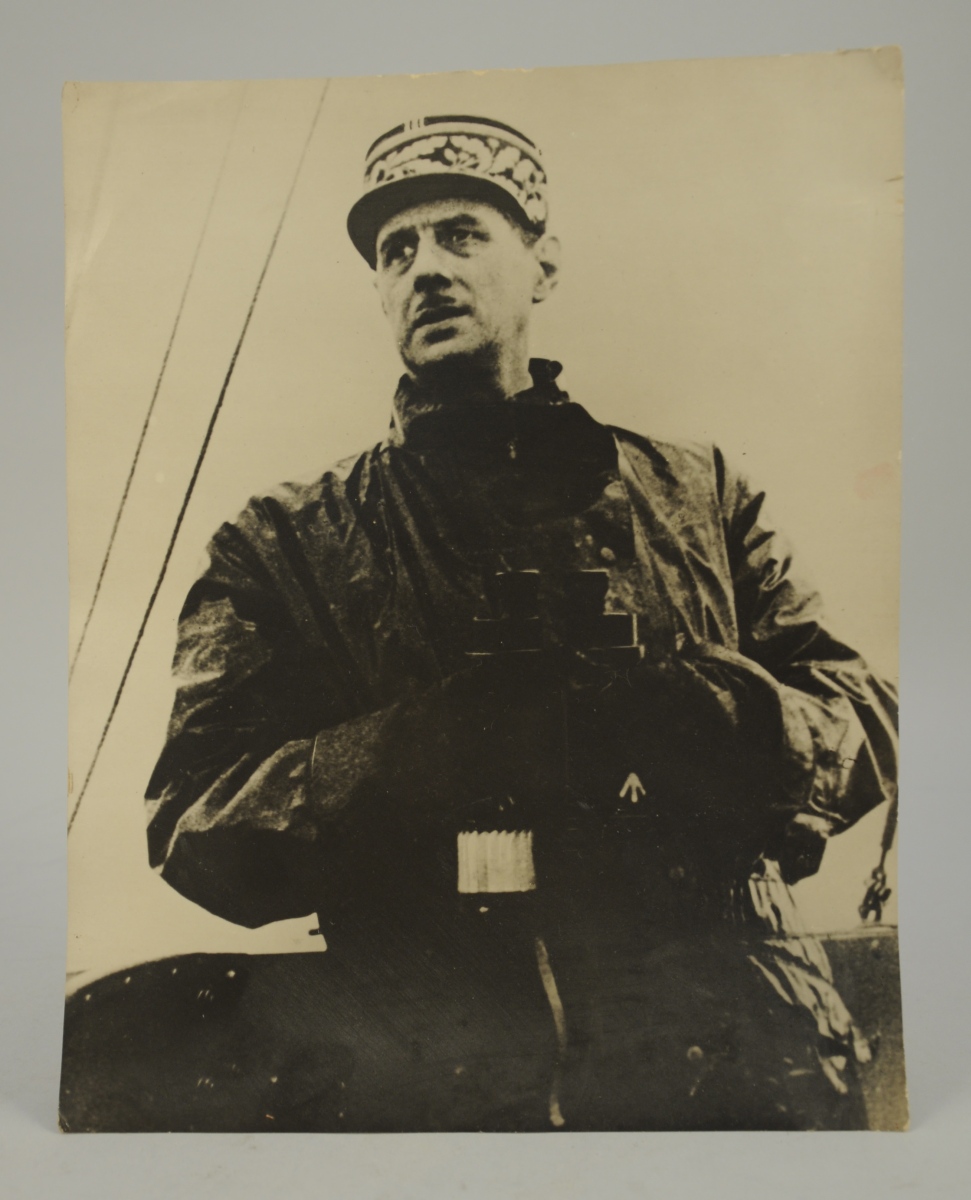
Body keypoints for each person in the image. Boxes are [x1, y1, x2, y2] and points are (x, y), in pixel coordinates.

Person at [145, 115, 898, 1131]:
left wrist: (723, 715)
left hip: (736, 1056)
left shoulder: (698, 492)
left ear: (542, 266)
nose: (426, 269)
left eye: (463, 234)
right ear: (378, 292)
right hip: (443, 1067)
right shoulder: (281, 542)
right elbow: (192, 825)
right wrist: (414, 751)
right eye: (396, 251)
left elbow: (865, 711)